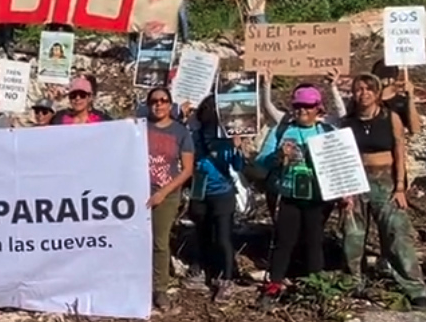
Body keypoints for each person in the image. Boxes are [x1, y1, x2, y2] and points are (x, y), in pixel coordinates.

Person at [341, 74, 426, 309]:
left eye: (369, 89)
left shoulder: (390, 117)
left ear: (378, 93)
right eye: (359, 89)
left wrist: (400, 186)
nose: (364, 93)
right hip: (356, 180)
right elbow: (341, 156)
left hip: (385, 180)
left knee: (396, 234)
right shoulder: (347, 122)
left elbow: (400, 152)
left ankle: (415, 287)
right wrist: (345, 191)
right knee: (352, 233)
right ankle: (354, 281)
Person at [254, 84, 338, 307]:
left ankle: (316, 287)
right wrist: (277, 156)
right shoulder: (281, 131)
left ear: (317, 108)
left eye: (308, 106)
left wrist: (345, 193)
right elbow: (261, 161)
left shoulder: (327, 131)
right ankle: (274, 285)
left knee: (314, 242)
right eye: (297, 106)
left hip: (317, 198)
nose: (302, 110)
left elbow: (340, 161)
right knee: (284, 241)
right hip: (288, 195)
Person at [185, 97, 245, 302]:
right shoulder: (195, 135)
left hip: (222, 192)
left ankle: (226, 278)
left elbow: (237, 167)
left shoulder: (227, 138)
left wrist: (237, 147)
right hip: (199, 191)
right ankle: (202, 268)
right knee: (201, 232)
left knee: (223, 237)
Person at [144, 87, 195, 310]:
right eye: (154, 101)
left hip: (167, 194)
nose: (159, 104)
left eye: (164, 100)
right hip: (138, 191)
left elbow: (187, 170)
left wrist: (162, 193)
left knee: (160, 242)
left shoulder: (180, 132)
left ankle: (160, 289)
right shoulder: (140, 128)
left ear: (170, 104)